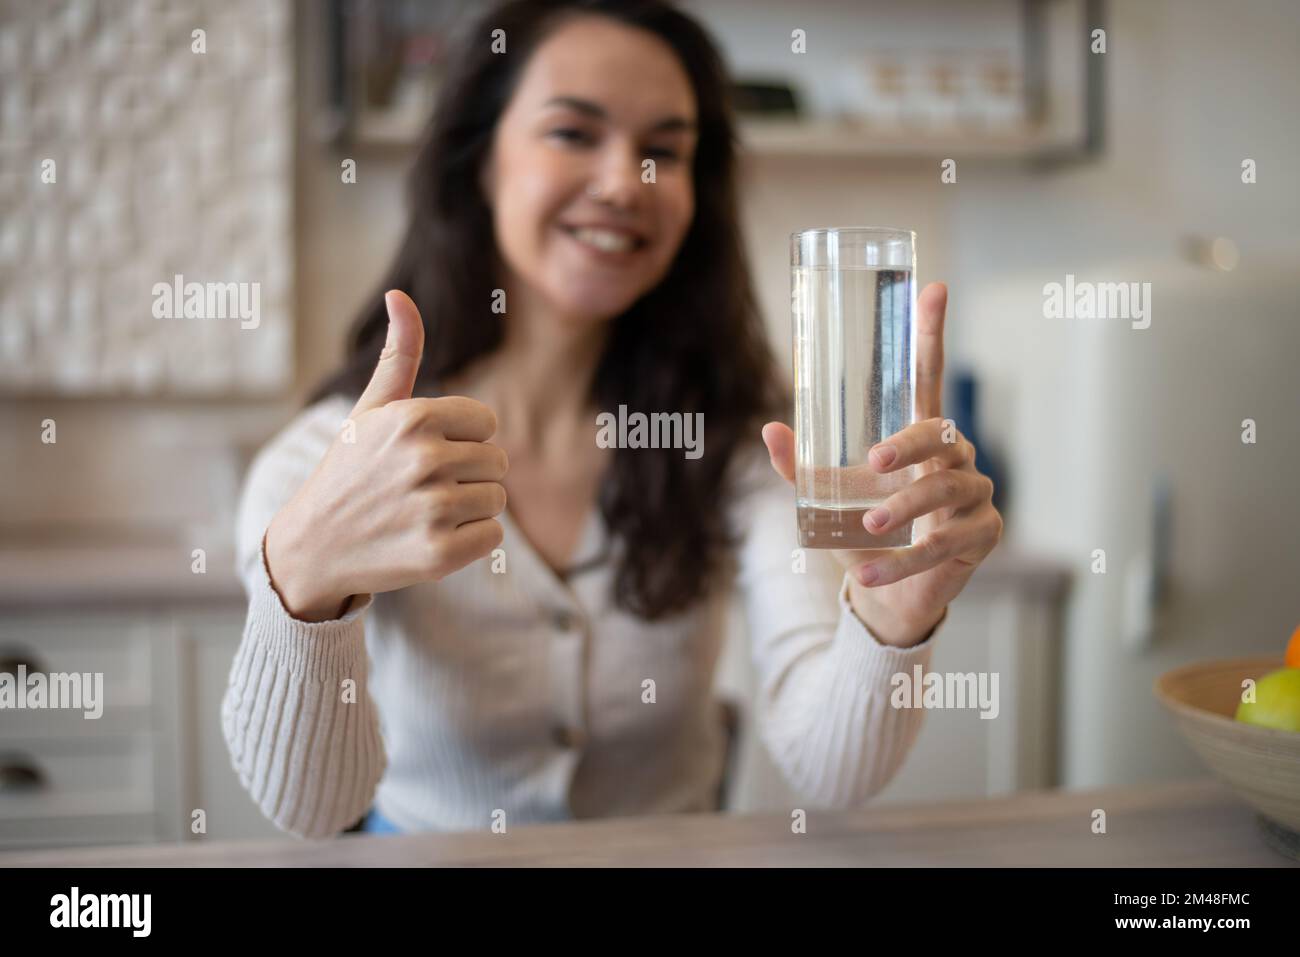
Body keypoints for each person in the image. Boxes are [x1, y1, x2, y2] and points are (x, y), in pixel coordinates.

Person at [221, 0, 1001, 839]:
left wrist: (894, 612)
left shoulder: (733, 443)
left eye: (665, 150)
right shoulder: (326, 461)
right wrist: (298, 586)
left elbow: (831, 767)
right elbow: (315, 812)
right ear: (480, 161)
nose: (628, 182)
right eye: (573, 133)